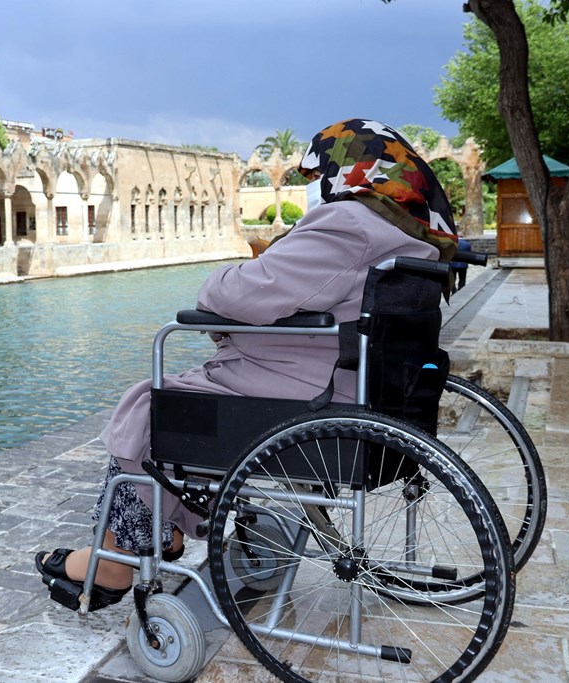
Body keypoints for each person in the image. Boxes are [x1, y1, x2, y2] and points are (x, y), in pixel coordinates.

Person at [35, 118, 459, 611]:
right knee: (182, 400)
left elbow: (241, 294)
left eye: (319, 173)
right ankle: (164, 534)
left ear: (351, 169)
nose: (315, 186)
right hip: (364, 391)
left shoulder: (350, 223)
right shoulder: (411, 236)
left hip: (315, 400)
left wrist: (229, 276)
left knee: (151, 406)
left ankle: (115, 560)